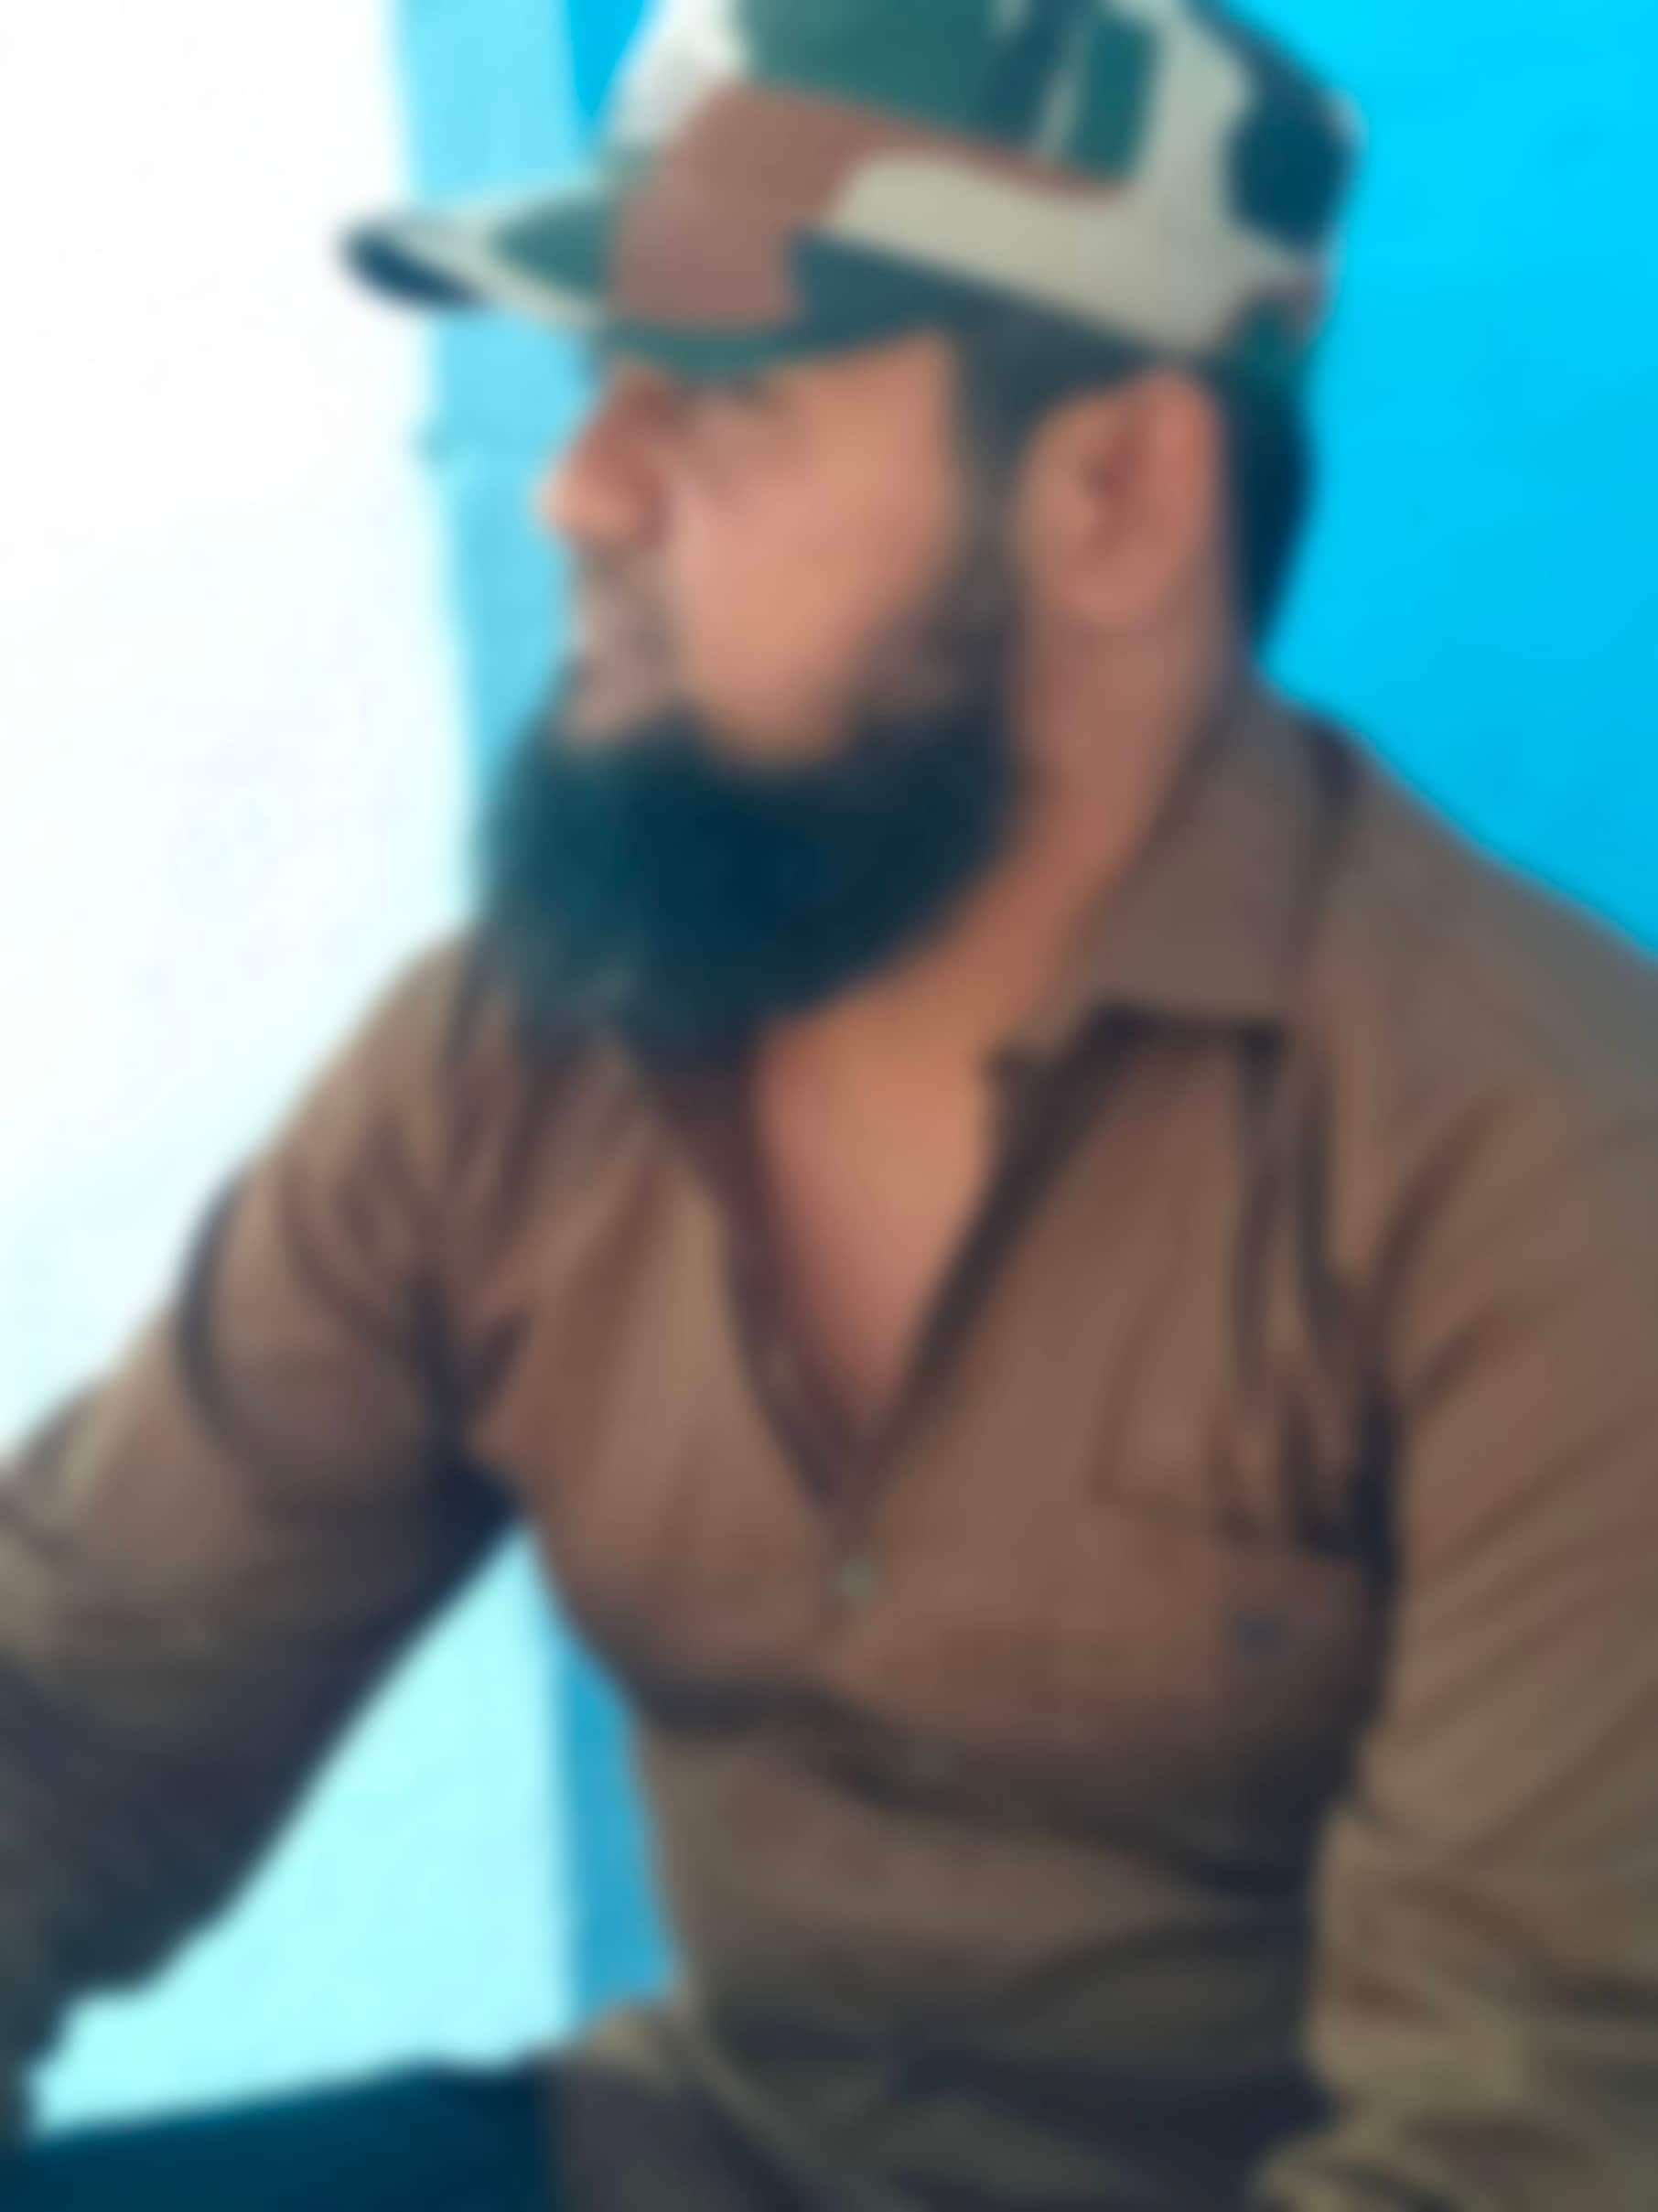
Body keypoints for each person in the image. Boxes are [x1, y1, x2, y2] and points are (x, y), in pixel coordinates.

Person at [5, 0, 1657, 2205]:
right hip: (701, 2157)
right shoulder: (521, 1056)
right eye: (598, 384)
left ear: (1115, 494)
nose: (581, 492)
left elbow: (1530, 2139)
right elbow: (70, 1711)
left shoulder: (1548, 1162)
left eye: (725, 399)